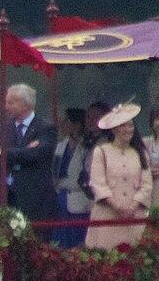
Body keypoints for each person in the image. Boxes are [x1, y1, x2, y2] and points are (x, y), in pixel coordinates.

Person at [86, 103, 150, 252]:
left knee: (136, 257)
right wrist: (117, 206)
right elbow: (98, 183)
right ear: (114, 129)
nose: (128, 130)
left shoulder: (140, 152)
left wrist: (133, 206)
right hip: (108, 215)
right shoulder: (101, 151)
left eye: (130, 126)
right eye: (124, 126)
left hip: (135, 216)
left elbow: (146, 184)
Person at [4, 83, 59, 226]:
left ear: (26, 104)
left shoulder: (46, 127)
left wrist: (7, 153)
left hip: (36, 199)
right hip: (8, 198)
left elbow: (37, 155)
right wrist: (25, 150)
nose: (6, 107)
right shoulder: (3, 128)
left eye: (11, 102)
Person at [53, 107, 94, 251]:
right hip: (60, 199)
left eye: (67, 121)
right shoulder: (60, 146)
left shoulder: (86, 147)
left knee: (78, 240)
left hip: (78, 199)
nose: (62, 124)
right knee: (60, 241)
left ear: (76, 124)